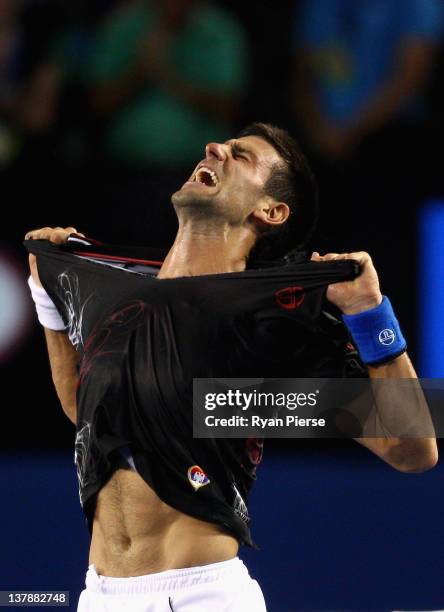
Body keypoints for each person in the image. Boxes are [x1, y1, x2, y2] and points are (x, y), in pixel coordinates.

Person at [24, 122, 437, 611]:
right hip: (99, 596)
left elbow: (411, 448)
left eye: (240, 155)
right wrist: (47, 290)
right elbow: (84, 410)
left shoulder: (270, 323)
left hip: (202, 596)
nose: (214, 147)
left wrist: (370, 314)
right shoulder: (113, 297)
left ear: (271, 211)